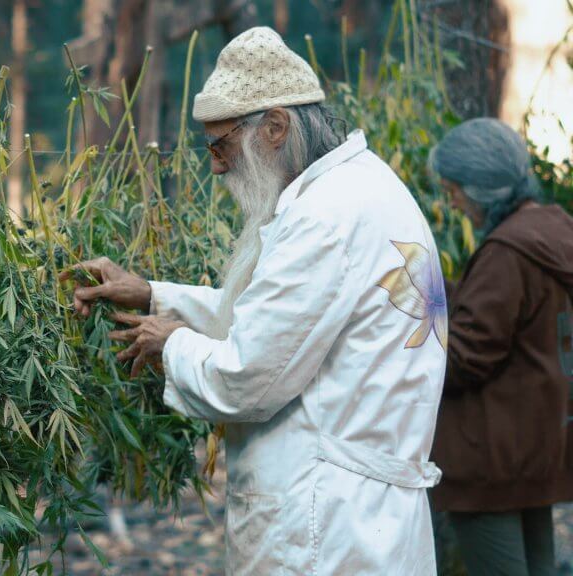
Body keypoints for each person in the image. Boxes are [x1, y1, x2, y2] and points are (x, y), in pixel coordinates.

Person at [62, 27, 446, 574]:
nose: (216, 166)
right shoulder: (365, 187)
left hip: (323, 525)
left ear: (274, 126)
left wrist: (172, 344)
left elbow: (249, 376)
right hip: (360, 513)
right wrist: (154, 295)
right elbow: (287, 319)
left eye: (221, 146)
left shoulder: (325, 217)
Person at [428, 118, 573, 576]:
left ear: (480, 189)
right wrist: (444, 291)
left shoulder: (506, 253)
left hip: (489, 460)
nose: (453, 203)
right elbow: (512, 318)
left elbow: (466, 358)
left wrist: (406, 326)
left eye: (453, 191)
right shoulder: (551, 232)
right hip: (534, 451)